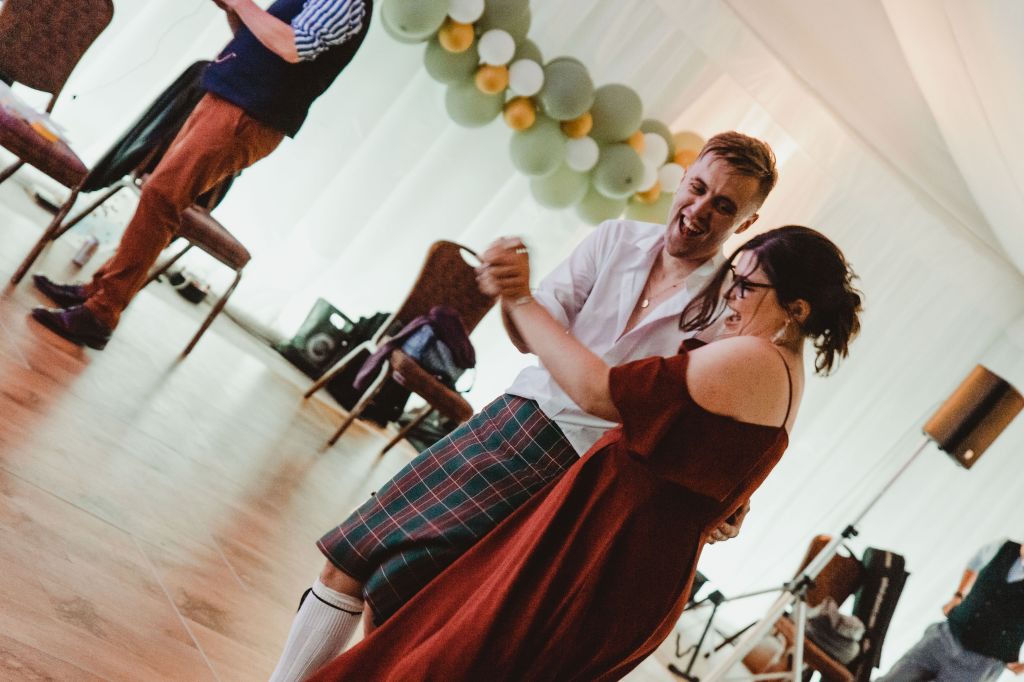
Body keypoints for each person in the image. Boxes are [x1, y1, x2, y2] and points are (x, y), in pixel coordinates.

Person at [266, 132, 777, 681]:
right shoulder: (615, 238)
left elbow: (715, 416)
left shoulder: (728, 309)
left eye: (724, 206)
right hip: (514, 417)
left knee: (409, 597)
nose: (700, 210)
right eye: (697, 188)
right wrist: (512, 291)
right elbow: (527, 332)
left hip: (585, 476)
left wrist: (733, 495)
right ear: (682, 180)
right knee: (351, 554)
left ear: (746, 222)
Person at [308, 224, 863, 680]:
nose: (730, 296)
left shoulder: (751, 359)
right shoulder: (779, 370)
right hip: (614, 549)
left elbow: (598, 392)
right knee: (442, 648)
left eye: (746, 286)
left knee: (449, 664)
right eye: (733, 279)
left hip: (605, 555)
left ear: (796, 309)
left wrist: (520, 298)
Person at [29, 0, 372, 350]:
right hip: (229, 96)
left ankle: (101, 313)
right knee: (159, 194)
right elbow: (262, 41)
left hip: (248, 113)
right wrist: (234, 11)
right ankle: (99, 291)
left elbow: (292, 46)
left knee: (162, 196)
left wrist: (242, 3)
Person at [877, 538, 1024, 681]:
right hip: (943, 638)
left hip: (980, 664)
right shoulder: (1003, 547)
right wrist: (958, 595)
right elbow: (976, 562)